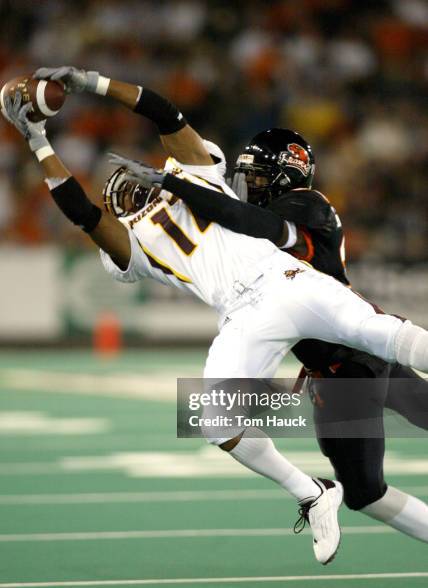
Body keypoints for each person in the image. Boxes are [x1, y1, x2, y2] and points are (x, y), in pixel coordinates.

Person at [3, 69, 428, 562]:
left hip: (284, 282)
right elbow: (84, 214)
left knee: (380, 332)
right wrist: (37, 141)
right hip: (245, 316)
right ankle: (311, 492)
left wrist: (92, 83)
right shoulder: (136, 242)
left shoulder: (195, 174)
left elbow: (162, 111)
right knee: (215, 419)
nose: (120, 185)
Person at [117, 125, 428, 545]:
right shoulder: (261, 231)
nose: (250, 183)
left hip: (360, 354)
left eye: (260, 175)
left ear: (289, 174)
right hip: (334, 372)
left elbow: (247, 220)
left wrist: (175, 184)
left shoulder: (304, 206)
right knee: (364, 494)